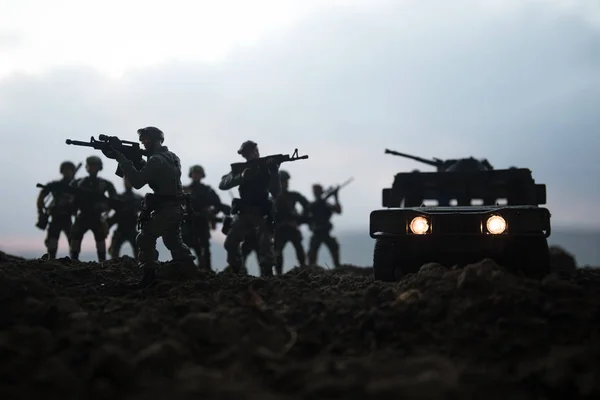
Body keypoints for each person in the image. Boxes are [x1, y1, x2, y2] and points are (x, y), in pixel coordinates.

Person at [101, 126, 196, 287]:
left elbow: (138, 182)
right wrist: (136, 160)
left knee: (144, 238)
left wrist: (122, 159)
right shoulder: (172, 157)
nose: (144, 142)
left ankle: (149, 276)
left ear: (157, 140)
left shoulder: (156, 159)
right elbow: (156, 174)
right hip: (176, 207)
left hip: (167, 208)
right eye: (142, 140)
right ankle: (189, 268)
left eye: (147, 139)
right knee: (172, 240)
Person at [218, 140, 280, 276]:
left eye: (253, 151)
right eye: (248, 152)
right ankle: (237, 270)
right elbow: (223, 184)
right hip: (244, 212)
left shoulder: (266, 168)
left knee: (266, 244)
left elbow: (275, 192)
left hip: (261, 212)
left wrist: (274, 172)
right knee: (230, 242)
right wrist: (241, 177)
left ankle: (268, 273)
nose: (252, 154)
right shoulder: (241, 168)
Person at [69, 156, 117, 261]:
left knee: (100, 239)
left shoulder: (105, 184)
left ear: (99, 168)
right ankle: (73, 259)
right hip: (83, 214)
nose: (92, 168)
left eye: (95, 166)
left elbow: (113, 200)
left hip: (97, 216)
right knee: (75, 237)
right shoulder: (79, 182)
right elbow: (70, 196)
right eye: (90, 166)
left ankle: (102, 261)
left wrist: (105, 207)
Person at [183, 165, 231, 270]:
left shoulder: (207, 190)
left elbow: (218, 205)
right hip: (188, 224)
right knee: (185, 250)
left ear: (202, 175)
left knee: (205, 250)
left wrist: (211, 213)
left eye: (198, 173)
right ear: (191, 175)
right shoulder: (185, 190)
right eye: (195, 173)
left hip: (202, 224)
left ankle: (207, 272)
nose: (196, 175)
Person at [35, 161, 78, 258]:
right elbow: (41, 197)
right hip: (56, 217)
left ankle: (74, 260)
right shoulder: (55, 185)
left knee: (73, 241)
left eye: (69, 170)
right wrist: (41, 212)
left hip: (67, 217)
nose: (67, 172)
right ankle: (51, 259)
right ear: (62, 171)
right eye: (65, 170)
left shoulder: (76, 186)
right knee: (52, 241)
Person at [273, 170, 310, 274]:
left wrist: (299, 219)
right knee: (278, 253)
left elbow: (307, 206)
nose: (286, 183)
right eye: (283, 181)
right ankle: (279, 274)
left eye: (286, 181)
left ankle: (304, 270)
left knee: (299, 250)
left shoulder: (293, 195)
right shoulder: (273, 198)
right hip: (280, 229)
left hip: (292, 228)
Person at [306, 184, 342, 268]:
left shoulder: (325, 204)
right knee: (312, 255)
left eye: (316, 191)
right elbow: (306, 217)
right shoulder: (313, 205)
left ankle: (337, 267)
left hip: (325, 232)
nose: (315, 193)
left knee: (334, 250)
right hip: (317, 232)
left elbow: (338, 210)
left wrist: (336, 197)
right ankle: (311, 270)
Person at [107, 176, 144, 259]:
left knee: (139, 252)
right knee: (114, 252)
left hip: (132, 229)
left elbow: (145, 211)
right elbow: (112, 214)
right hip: (120, 229)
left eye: (129, 181)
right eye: (126, 180)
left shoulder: (137, 198)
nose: (127, 183)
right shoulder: (119, 197)